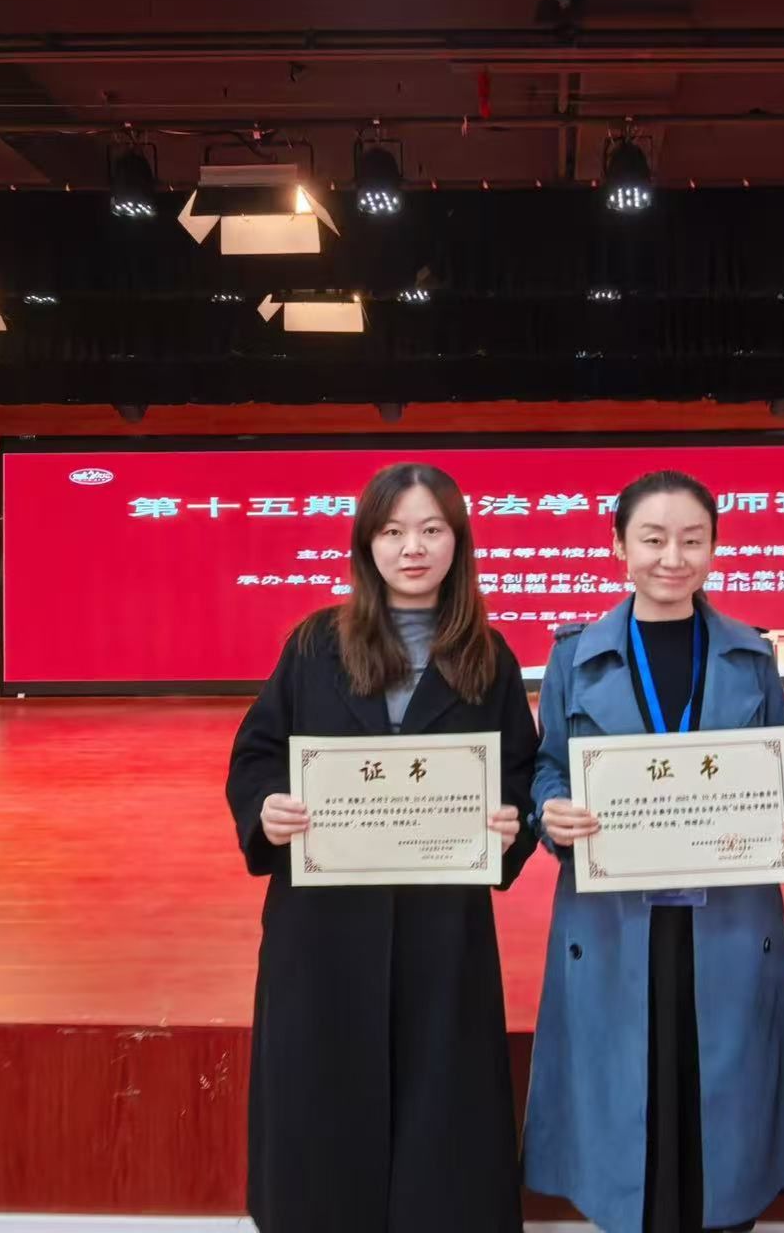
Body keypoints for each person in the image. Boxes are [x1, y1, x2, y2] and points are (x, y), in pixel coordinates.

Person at [224, 462, 539, 1233]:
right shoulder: (314, 646)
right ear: (367, 543)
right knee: (320, 1104)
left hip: (443, 923)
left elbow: (520, 773)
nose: (412, 548)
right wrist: (267, 809)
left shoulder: (489, 656)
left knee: (444, 1106)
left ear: (458, 542)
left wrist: (512, 823)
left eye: (431, 529)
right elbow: (257, 755)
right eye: (393, 531)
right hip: (322, 924)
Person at [523, 469, 784, 1233]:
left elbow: (779, 777)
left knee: (722, 1091)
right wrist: (549, 810)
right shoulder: (575, 656)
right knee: (630, 1092)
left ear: (714, 548)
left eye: (692, 540)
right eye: (653, 539)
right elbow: (549, 764)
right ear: (618, 545)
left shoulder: (750, 657)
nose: (673, 557)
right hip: (614, 915)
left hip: (726, 914)